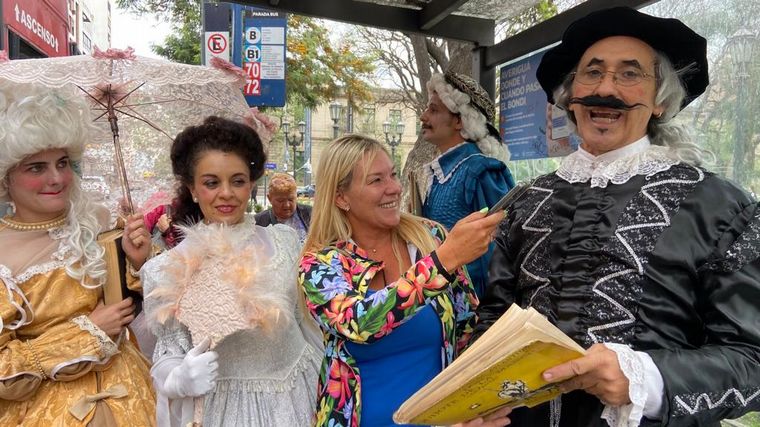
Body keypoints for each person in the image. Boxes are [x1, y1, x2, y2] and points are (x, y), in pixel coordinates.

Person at [475, 7, 760, 426]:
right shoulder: (527, 201)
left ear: (660, 101)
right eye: (592, 73)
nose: (605, 88)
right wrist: (477, 401)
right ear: (570, 96)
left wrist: (647, 378)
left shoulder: (720, 207)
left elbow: (752, 359)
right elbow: (493, 321)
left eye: (630, 74)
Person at [299, 134, 511, 427]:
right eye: (376, 180)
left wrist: (477, 404)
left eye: (393, 175)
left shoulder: (430, 239)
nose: (395, 188)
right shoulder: (320, 264)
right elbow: (358, 323)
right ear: (341, 197)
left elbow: (466, 330)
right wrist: (442, 263)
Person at [142, 116, 322, 427]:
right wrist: (179, 379)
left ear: (251, 184)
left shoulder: (285, 241)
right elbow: (167, 353)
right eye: (211, 183)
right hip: (224, 412)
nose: (226, 193)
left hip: (300, 395)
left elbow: (304, 321)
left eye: (237, 181)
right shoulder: (166, 270)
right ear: (193, 189)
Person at [0, 83, 156, 425]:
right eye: (36, 168)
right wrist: (87, 332)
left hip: (131, 398)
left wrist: (138, 261)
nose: (57, 178)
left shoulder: (98, 221)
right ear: (5, 177)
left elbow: (152, 306)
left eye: (62, 163)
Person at [420, 71, 515, 297]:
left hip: (474, 304)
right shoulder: (441, 172)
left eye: (434, 110)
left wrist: (491, 308)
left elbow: (500, 248)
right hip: (440, 295)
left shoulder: (482, 171)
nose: (423, 116)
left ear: (459, 120)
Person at [254, 172, 312, 243]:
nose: (287, 205)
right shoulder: (258, 222)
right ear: (269, 198)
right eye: (281, 200)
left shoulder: (310, 213)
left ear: (296, 196)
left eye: (291, 199)